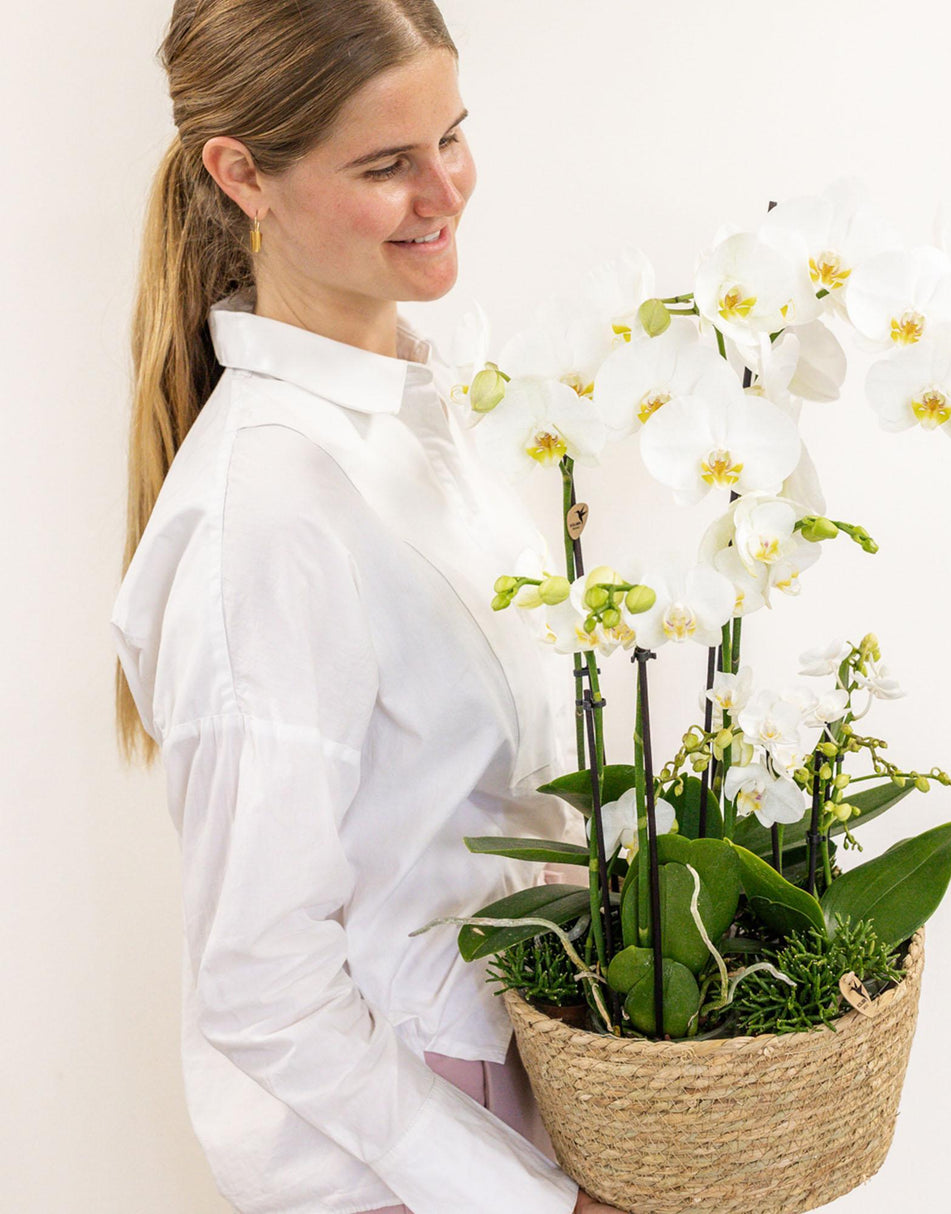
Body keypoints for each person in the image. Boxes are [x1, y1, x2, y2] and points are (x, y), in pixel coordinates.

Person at [110, 2, 625, 1211]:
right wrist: (530, 1199)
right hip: (409, 1145)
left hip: (522, 1081)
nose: (443, 192)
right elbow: (260, 980)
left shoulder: (434, 418)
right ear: (242, 175)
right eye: (386, 164)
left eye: (451, 136)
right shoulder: (270, 512)